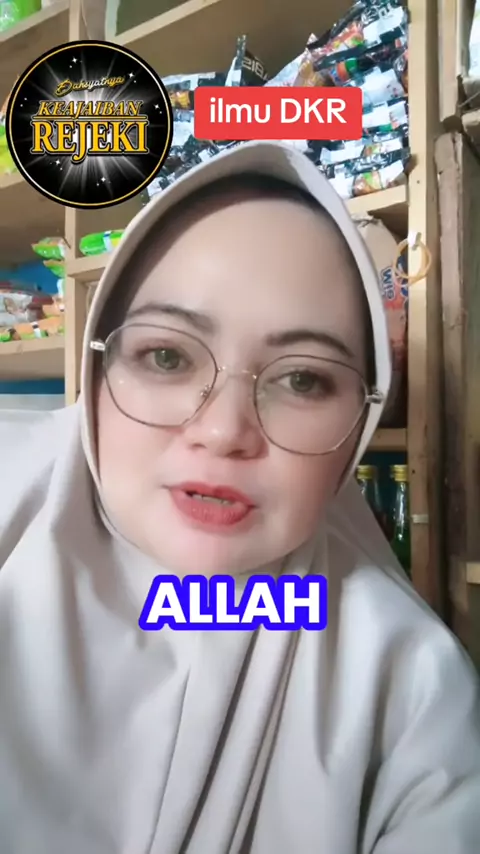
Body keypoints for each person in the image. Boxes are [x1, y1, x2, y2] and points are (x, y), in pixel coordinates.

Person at [0, 141, 478, 854]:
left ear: (361, 420)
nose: (225, 432)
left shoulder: (409, 688)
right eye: (167, 356)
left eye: (303, 380)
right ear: (96, 371)